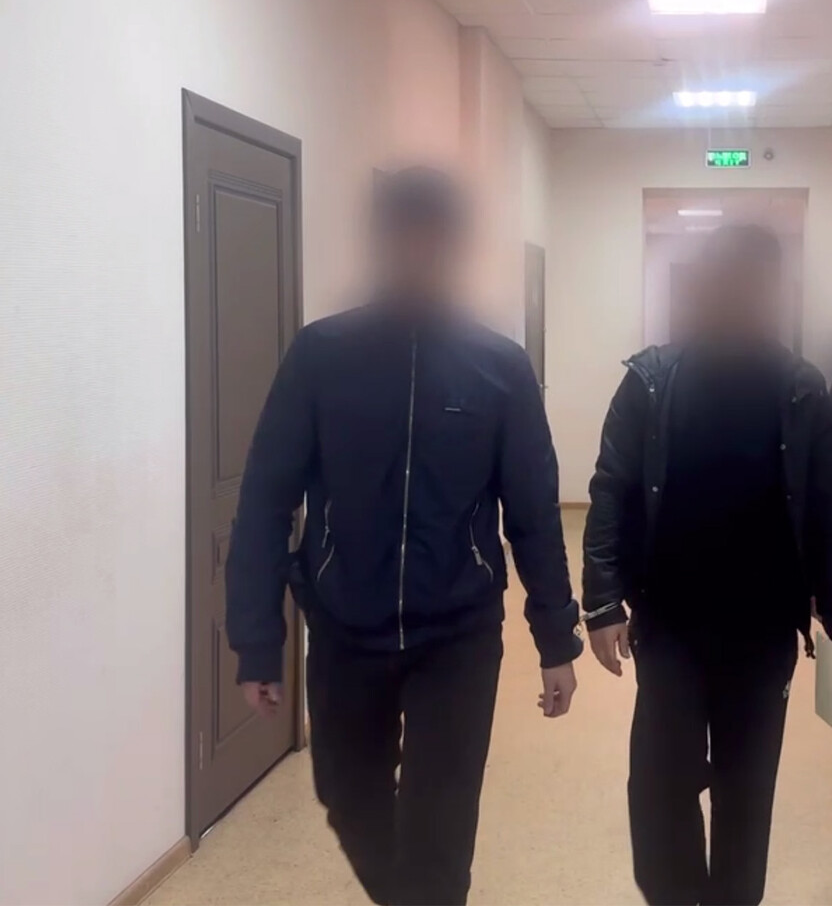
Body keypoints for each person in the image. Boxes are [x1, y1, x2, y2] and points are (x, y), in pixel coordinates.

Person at [225, 166, 582, 906]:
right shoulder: (322, 355)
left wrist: (556, 639)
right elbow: (265, 499)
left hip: (458, 634)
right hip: (345, 627)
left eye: (434, 239)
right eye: (404, 237)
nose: (418, 253)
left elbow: (534, 513)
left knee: (440, 829)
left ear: (455, 248)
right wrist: (258, 638)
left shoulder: (499, 367)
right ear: (381, 243)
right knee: (346, 798)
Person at [581, 223, 832, 906]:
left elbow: (827, 507)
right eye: (730, 280)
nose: (743, 295)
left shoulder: (802, 389)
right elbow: (612, 489)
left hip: (763, 628)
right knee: (662, 785)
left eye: (758, 283)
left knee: (746, 789)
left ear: (776, 291)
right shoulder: (651, 380)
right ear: (706, 285)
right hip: (670, 621)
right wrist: (602, 600)